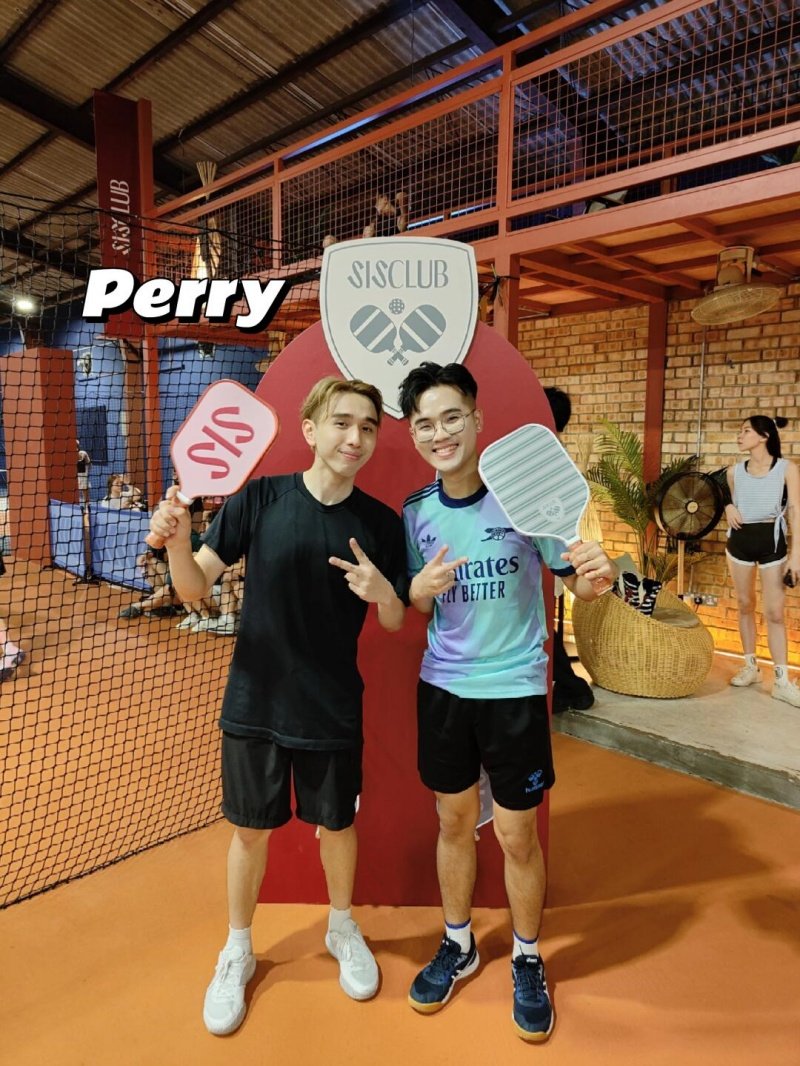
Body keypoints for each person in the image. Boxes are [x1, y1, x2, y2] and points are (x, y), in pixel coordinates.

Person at [148, 377, 407, 1036]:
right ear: (311, 427)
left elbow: (400, 618)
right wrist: (178, 542)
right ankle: (237, 947)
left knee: (336, 827)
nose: (355, 437)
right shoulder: (260, 498)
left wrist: (382, 591)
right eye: (342, 422)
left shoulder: (381, 523)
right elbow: (195, 589)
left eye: (369, 427)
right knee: (250, 832)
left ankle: (342, 928)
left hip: (332, 706)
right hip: (255, 700)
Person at [398, 362, 616, 1043]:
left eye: (451, 417)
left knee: (518, 834)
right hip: (444, 690)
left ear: (476, 419)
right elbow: (411, 601)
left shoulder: (524, 500)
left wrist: (595, 578)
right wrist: (419, 591)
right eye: (425, 423)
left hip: (515, 692)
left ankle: (527, 957)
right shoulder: (416, 514)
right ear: (413, 433)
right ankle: (459, 944)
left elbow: (574, 585)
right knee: (453, 822)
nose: (440, 433)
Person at [725, 415, 800, 706]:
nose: (740, 436)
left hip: (772, 543)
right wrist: (729, 506)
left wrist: (796, 557)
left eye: (745, 431)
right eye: (740, 430)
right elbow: (728, 499)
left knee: (775, 612)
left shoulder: (786, 469)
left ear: (764, 435)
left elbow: (795, 513)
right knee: (745, 605)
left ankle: (781, 679)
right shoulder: (734, 472)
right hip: (740, 544)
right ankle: (751, 667)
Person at [543, 386, 595, 714]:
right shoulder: (554, 450)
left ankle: (571, 688)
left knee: (545, 626)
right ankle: (570, 686)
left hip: (551, 546)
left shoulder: (548, 453)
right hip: (554, 547)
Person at [76, 440, 91, 505]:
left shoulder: (82, 453)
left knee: (84, 488)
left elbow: (88, 463)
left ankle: (87, 504)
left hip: (82, 473)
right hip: (75, 473)